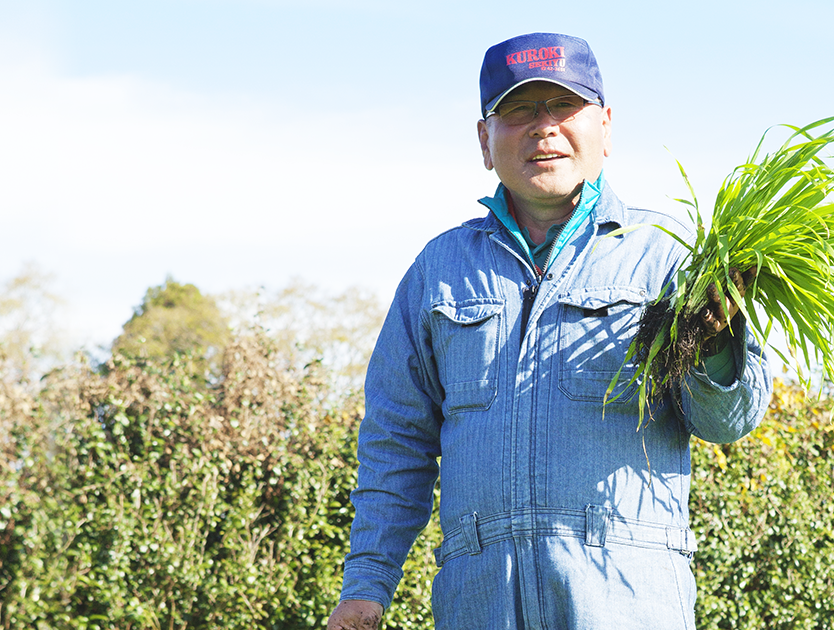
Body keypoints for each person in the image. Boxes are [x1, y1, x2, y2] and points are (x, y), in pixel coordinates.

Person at [327, 32, 772, 630]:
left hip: (626, 606)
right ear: (485, 139)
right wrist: (367, 582)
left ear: (606, 127)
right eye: (518, 110)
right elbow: (396, 439)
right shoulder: (439, 271)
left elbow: (729, 422)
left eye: (563, 105)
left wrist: (715, 346)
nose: (543, 127)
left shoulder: (667, 257)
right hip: (480, 607)